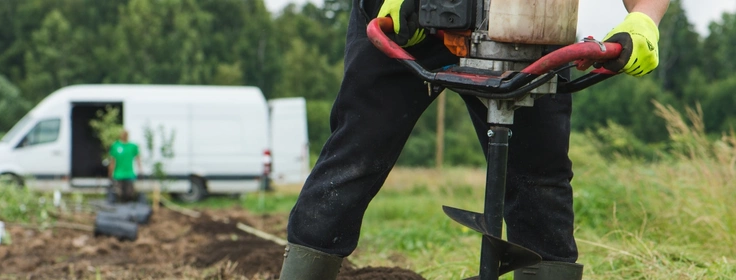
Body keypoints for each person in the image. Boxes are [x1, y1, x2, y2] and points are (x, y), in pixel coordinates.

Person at [278, 0, 669, 279]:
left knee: (539, 183)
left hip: (528, 25)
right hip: (408, 17)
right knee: (353, 159)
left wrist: (644, 20)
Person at [109, 129, 143, 203]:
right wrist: (110, 173)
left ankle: (128, 211)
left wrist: (140, 171)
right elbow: (112, 161)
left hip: (129, 174)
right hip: (118, 174)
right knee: (118, 194)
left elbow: (138, 159)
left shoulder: (132, 146)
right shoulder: (116, 146)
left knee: (129, 194)